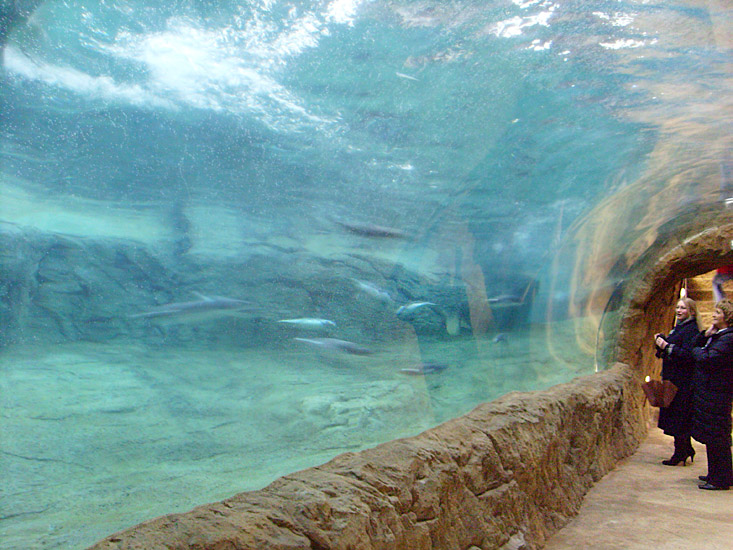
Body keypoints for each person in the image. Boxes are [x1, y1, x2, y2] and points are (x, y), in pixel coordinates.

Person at [690, 299, 733, 490]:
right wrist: (704, 337)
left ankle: (721, 479)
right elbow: (699, 346)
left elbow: (708, 359)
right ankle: (715, 473)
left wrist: (698, 351)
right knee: (712, 435)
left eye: (718, 312)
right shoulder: (718, 335)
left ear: (727, 316)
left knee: (718, 437)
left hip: (718, 393)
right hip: (711, 392)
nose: (714, 315)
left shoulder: (728, 338)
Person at [653, 297, 702, 466]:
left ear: (691, 311)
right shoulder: (679, 328)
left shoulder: (691, 330)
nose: (679, 310)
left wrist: (666, 346)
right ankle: (685, 449)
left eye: (683, 308)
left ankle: (681, 452)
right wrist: (661, 345)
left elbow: (688, 355)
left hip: (682, 382)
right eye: (677, 307)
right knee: (675, 416)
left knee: (679, 417)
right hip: (673, 379)